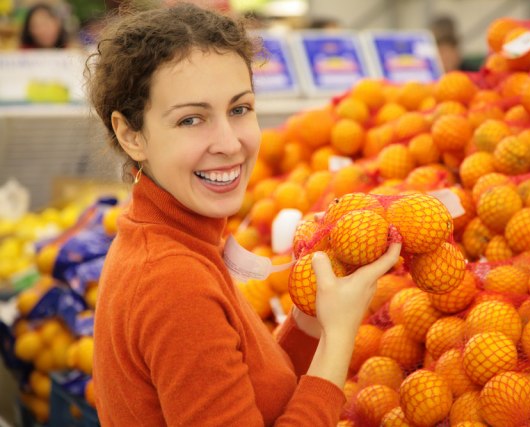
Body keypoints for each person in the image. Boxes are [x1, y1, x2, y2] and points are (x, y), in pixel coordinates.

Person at [86, 3, 401, 426]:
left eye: (239, 109)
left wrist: (310, 323)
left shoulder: (176, 241)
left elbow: (255, 395)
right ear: (131, 135)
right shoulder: (172, 281)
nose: (229, 142)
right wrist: (339, 338)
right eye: (191, 119)